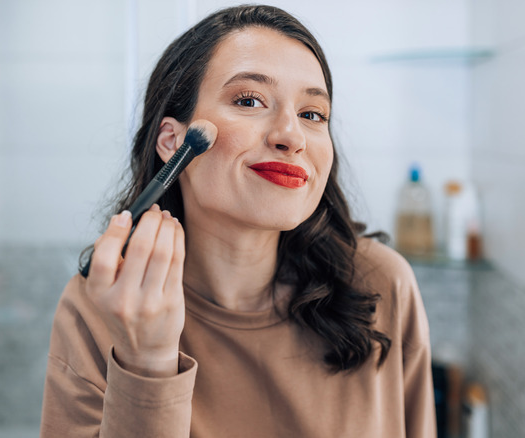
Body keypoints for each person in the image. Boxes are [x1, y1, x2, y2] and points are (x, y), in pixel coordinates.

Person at [40, 5, 435, 437]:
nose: (292, 135)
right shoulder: (103, 304)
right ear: (173, 141)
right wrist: (147, 362)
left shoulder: (381, 282)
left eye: (312, 114)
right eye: (249, 101)